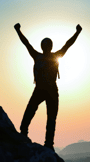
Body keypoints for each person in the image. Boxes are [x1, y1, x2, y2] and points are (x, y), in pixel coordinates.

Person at [14, 23, 82, 151]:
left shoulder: (39, 56)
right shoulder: (47, 56)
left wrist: (77, 33)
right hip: (46, 90)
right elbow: (26, 43)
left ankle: (46, 143)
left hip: (45, 90)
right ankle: (42, 142)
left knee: (47, 117)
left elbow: (68, 44)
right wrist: (18, 31)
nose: (46, 47)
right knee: (42, 116)